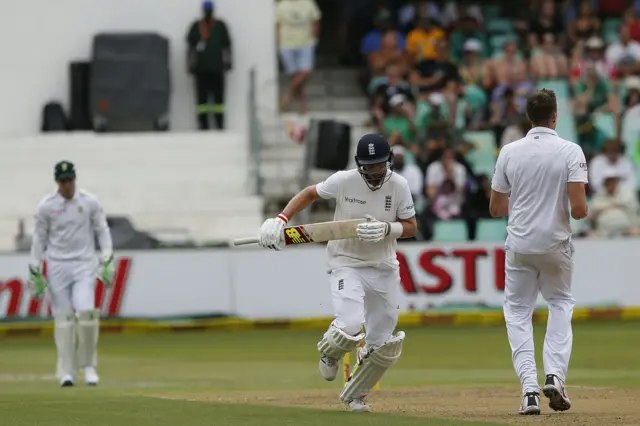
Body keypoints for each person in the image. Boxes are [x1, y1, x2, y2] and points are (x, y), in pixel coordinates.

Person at [256, 134, 417, 412]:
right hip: (346, 261)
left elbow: (411, 226)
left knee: (381, 344)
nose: (375, 172)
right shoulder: (343, 180)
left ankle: (356, 395)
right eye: (369, 167)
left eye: (380, 165)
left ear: (388, 161)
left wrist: (388, 229)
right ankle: (330, 352)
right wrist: (281, 219)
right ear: (359, 164)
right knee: (351, 324)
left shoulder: (399, 185)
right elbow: (309, 194)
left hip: (384, 266)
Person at [489, 89, 589, 415]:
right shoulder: (570, 151)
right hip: (555, 244)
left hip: (519, 244)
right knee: (560, 303)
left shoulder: (509, 151)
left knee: (517, 313)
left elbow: (495, 207)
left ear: (529, 117)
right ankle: (555, 376)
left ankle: (529, 390)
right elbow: (579, 210)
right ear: (555, 116)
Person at [28, 161, 115, 387]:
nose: (67, 185)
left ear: (75, 179)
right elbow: (39, 238)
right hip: (57, 266)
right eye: (63, 181)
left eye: (70, 180)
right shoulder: (47, 206)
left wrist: (107, 258)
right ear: (57, 182)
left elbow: (102, 230)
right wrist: (34, 267)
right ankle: (67, 370)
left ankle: (88, 367)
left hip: (84, 264)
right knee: (64, 320)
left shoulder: (89, 202)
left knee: (86, 315)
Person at [187, 0, 232, 130]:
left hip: (217, 68)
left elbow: (227, 46)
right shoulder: (196, 26)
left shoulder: (220, 26)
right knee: (202, 101)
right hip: (200, 69)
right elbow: (190, 47)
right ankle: (203, 125)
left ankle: (220, 125)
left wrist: (229, 62)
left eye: (210, 9)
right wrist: (189, 64)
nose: (208, 12)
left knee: (219, 100)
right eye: (206, 9)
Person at [276, 0, 322, 113]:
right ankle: (303, 106)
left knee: (306, 71)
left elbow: (315, 21)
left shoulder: (309, 3)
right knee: (295, 76)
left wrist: (314, 38)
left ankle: (287, 96)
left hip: (306, 42)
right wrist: (278, 42)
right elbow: (277, 25)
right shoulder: (281, 5)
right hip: (287, 44)